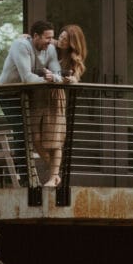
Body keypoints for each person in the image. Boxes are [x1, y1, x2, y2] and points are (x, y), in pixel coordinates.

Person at [0, 20, 59, 180]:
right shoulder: (20, 45)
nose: (50, 42)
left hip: (28, 94)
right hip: (8, 94)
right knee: (21, 129)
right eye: (47, 38)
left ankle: (42, 172)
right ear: (35, 36)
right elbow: (27, 77)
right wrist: (50, 80)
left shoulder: (50, 48)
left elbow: (57, 71)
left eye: (52, 38)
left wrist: (56, 77)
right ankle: (23, 176)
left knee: (34, 132)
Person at [37, 24, 87, 187]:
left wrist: (63, 79)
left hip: (56, 97)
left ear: (73, 42)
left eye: (66, 39)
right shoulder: (52, 46)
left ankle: (53, 176)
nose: (62, 40)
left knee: (55, 139)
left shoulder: (73, 59)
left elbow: (75, 79)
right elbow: (38, 40)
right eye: (62, 36)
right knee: (35, 138)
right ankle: (56, 170)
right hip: (39, 96)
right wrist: (25, 38)